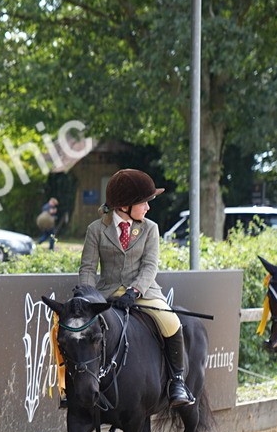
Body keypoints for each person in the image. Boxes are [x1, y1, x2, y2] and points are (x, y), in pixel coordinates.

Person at [77, 168, 194, 407]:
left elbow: (150, 266)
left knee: (171, 322)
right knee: (81, 331)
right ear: (124, 205)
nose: (148, 208)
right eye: (144, 202)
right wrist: (88, 298)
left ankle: (177, 382)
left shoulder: (150, 228)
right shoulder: (96, 230)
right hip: (107, 293)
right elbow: (88, 268)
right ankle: (78, 386)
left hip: (143, 293)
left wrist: (134, 291)